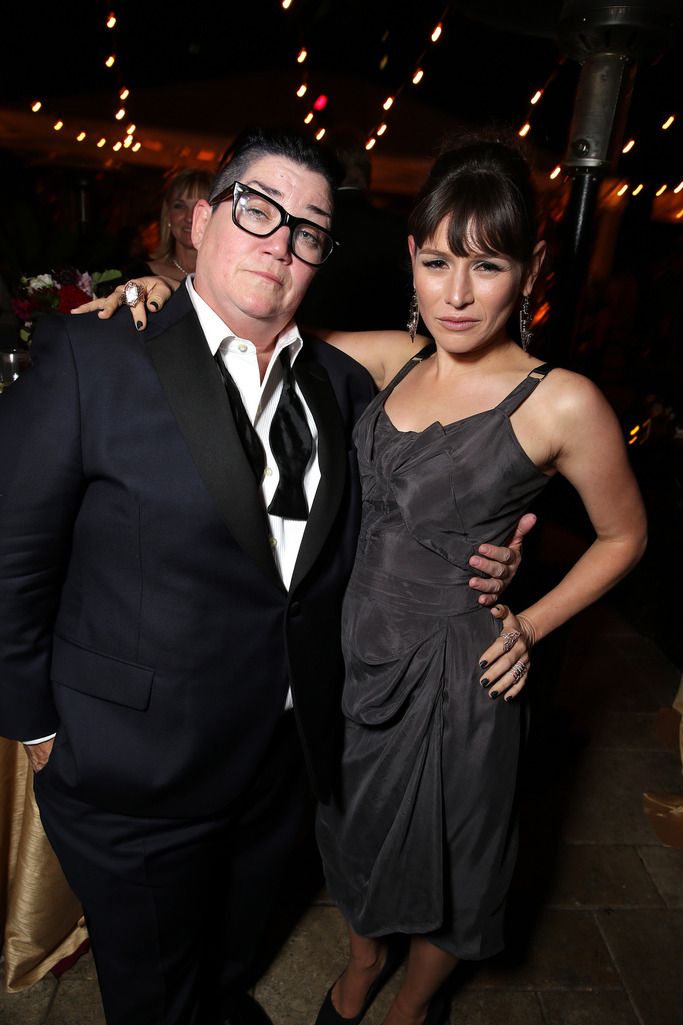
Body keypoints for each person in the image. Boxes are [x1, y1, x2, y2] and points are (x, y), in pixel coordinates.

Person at [0, 128, 524, 1025]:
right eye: (256, 211)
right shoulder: (93, 359)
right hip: (134, 778)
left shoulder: (344, 385)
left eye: (308, 231)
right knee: (154, 993)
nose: (279, 243)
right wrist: (36, 727)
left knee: (229, 958)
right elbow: (11, 557)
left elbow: (406, 506)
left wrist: (491, 561)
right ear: (200, 221)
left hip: (282, 773)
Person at [306, 138, 647, 1025]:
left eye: (484, 265)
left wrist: (529, 622)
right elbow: (258, 340)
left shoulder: (559, 400)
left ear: (528, 270)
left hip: (455, 678)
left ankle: (411, 1005)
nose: (455, 294)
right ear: (410, 261)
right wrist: (159, 289)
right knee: (353, 833)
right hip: (355, 659)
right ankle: (360, 960)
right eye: (435, 261)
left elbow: (624, 535)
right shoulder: (395, 360)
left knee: (451, 860)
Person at [127, 167, 213, 285]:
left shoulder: (229, 278)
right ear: (168, 215)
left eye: (199, 207)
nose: (189, 217)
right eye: (180, 206)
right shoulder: (137, 276)